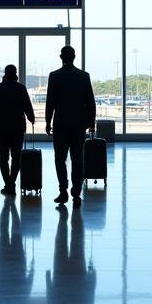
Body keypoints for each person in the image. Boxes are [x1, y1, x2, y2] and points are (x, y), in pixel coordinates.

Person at [44, 45, 96, 207]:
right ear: (74, 57)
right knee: (77, 158)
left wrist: (47, 121)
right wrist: (91, 122)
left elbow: (50, 102)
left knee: (60, 158)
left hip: (60, 123)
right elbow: (90, 102)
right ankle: (76, 193)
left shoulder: (54, 76)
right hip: (79, 124)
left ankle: (63, 191)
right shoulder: (83, 76)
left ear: (61, 57)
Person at [45, 205, 96, 304]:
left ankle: (75, 213)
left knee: (77, 242)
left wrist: (91, 279)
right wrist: (48, 281)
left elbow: (89, 300)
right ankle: (63, 218)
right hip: (62, 277)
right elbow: (51, 302)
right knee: (60, 244)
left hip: (78, 276)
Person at [0, 64, 35, 197]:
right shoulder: (20, 88)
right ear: (15, 74)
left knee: (3, 157)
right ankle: (12, 183)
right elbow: (27, 105)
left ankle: (8, 183)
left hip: (1, 128)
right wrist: (31, 118)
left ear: (5, 73)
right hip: (17, 128)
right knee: (16, 157)